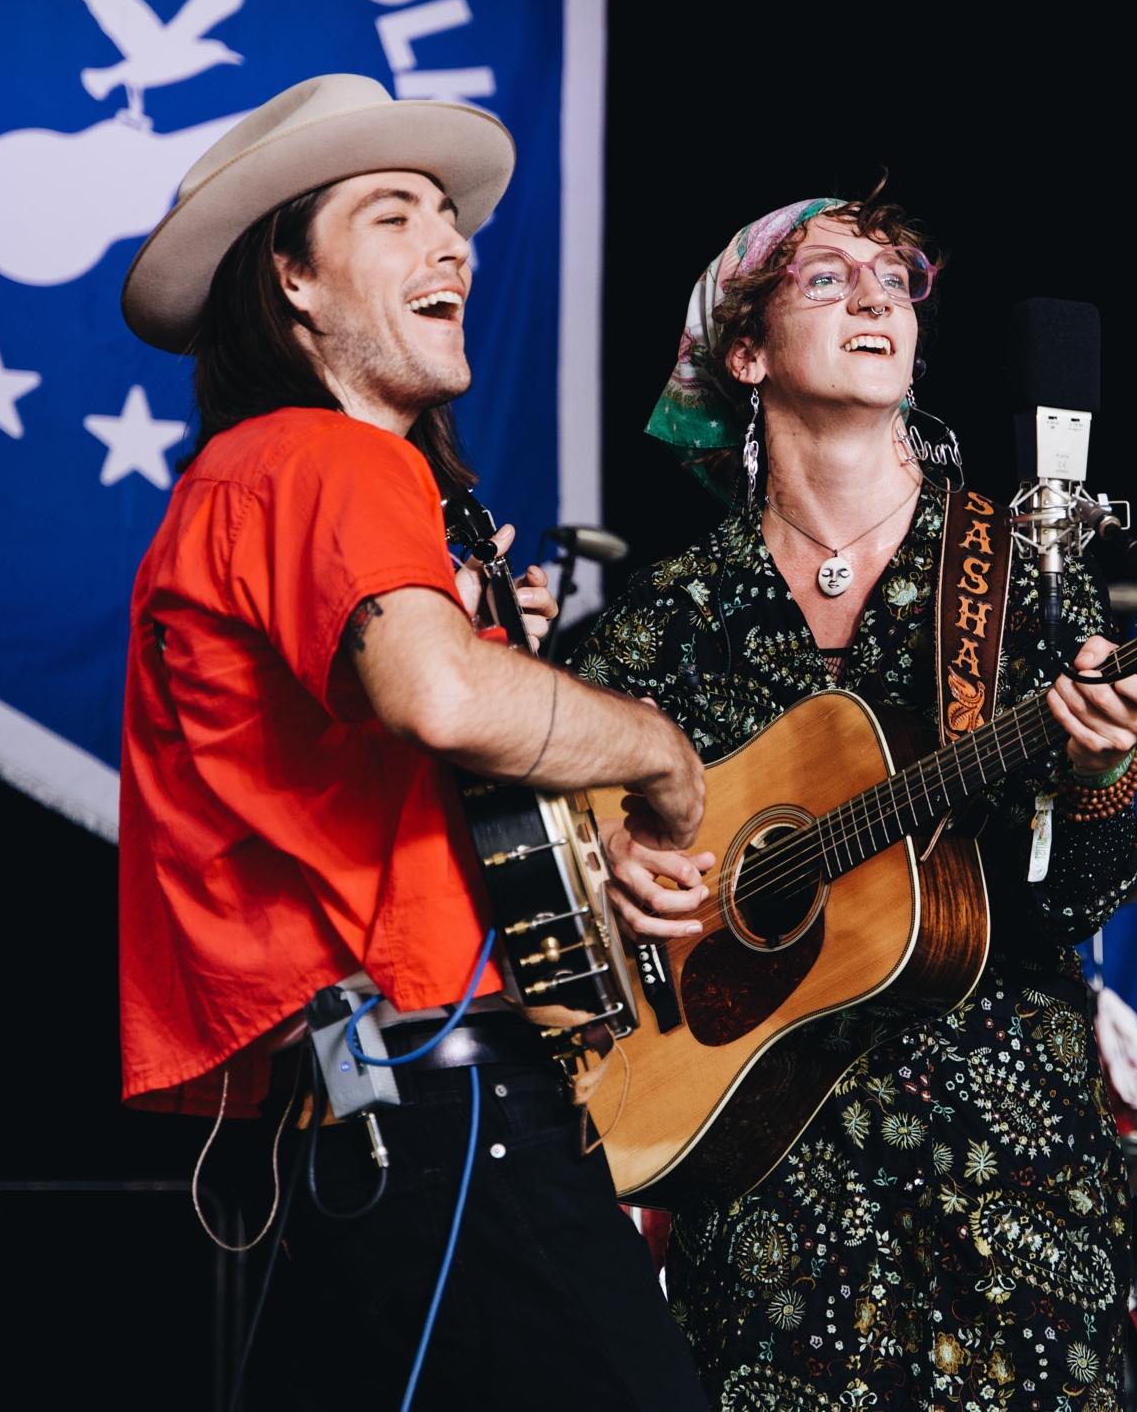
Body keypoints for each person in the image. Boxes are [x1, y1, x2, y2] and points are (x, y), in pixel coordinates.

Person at [115, 74, 710, 1409]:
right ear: (293, 283)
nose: (455, 246)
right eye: (396, 216)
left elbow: (407, 773)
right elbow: (437, 699)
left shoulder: (251, 475)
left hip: (352, 1114)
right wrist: (657, 756)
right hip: (445, 1110)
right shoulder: (326, 458)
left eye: (452, 217)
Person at [574, 195, 1137, 1410]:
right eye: (829, 277)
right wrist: (610, 864)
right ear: (742, 354)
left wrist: (1102, 771)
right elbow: (562, 847)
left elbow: (1080, 894)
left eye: (895, 279)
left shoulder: (1015, 571)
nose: (877, 296)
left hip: (1004, 1172)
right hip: (762, 1189)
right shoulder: (668, 615)